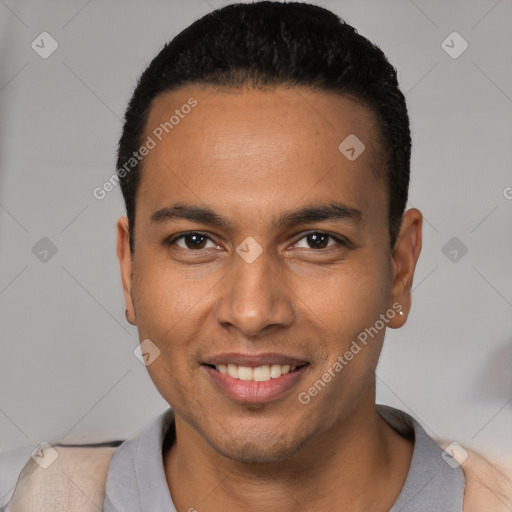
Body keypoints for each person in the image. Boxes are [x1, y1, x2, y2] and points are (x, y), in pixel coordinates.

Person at [1, 2, 511, 511]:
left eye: (315, 241)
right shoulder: (27, 497)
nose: (251, 312)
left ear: (399, 269)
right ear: (129, 266)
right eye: (195, 241)